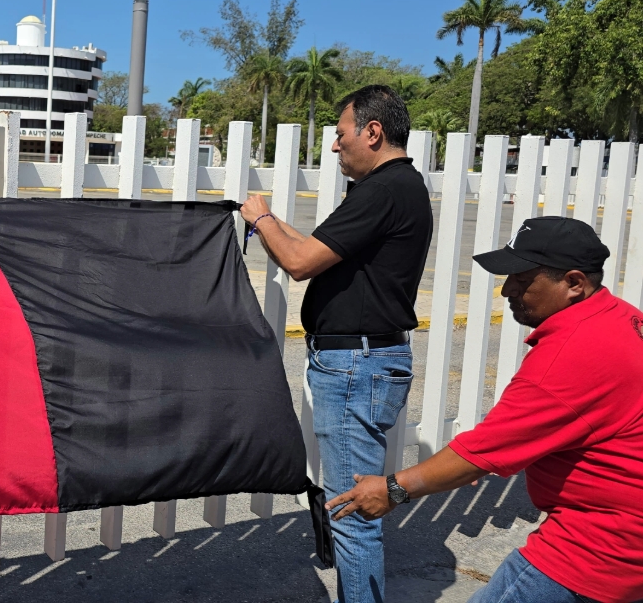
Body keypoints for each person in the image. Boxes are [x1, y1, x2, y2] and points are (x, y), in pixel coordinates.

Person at [326, 216, 643, 603]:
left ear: (574, 283)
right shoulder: (623, 318)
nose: (508, 289)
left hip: (597, 549)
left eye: (522, 280)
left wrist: (393, 488)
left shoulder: (568, 356)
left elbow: (479, 454)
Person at [240, 84, 433, 603]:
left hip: (356, 366)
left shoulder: (384, 190)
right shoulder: (395, 187)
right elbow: (313, 249)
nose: (334, 145)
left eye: (341, 132)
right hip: (363, 362)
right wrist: (267, 220)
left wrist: (259, 220)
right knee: (353, 501)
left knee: (351, 510)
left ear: (373, 132)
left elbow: (299, 263)